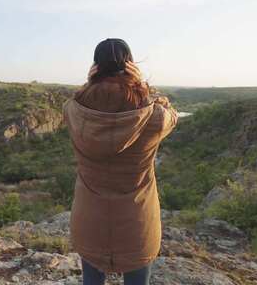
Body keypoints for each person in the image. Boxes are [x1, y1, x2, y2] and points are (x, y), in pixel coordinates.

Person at [62, 38, 178, 285]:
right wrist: (142, 87)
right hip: (137, 224)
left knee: (91, 281)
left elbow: (75, 100)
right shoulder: (153, 116)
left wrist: (90, 83)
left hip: (89, 219)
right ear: (130, 65)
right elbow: (172, 114)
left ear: (95, 67)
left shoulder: (72, 111)